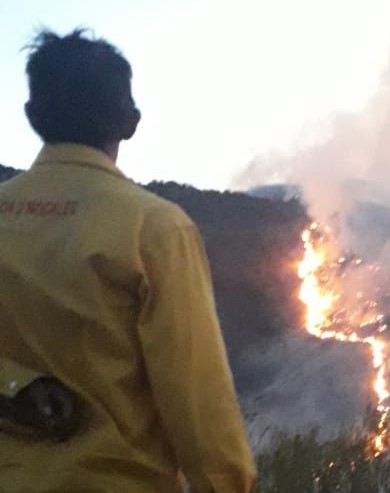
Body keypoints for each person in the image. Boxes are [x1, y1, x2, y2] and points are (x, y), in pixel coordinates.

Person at [0, 29, 256, 492]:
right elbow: (197, 401)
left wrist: (16, 384)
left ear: (32, 116)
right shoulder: (153, 230)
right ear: (130, 120)